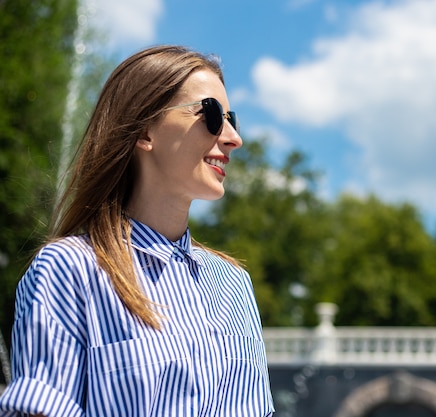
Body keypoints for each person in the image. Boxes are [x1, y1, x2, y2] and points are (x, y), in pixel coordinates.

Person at [0, 45, 274, 417]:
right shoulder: (70, 269)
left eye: (232, 119)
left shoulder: (234, 284)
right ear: (145, 130)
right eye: (211, 114)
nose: (232, 138)